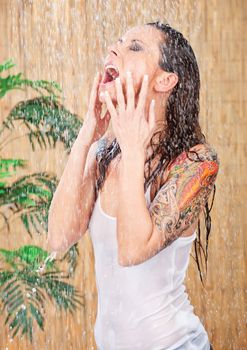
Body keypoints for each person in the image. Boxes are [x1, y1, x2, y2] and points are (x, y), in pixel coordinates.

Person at [47, 21, 219, 350]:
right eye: (118, 43)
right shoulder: (105, 155)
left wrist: (134, 145)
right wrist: (88, 133)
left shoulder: (196, 164)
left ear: (165, 80)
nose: (115, 49)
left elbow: (132, 250)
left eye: (134, 47)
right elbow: (58, 237)